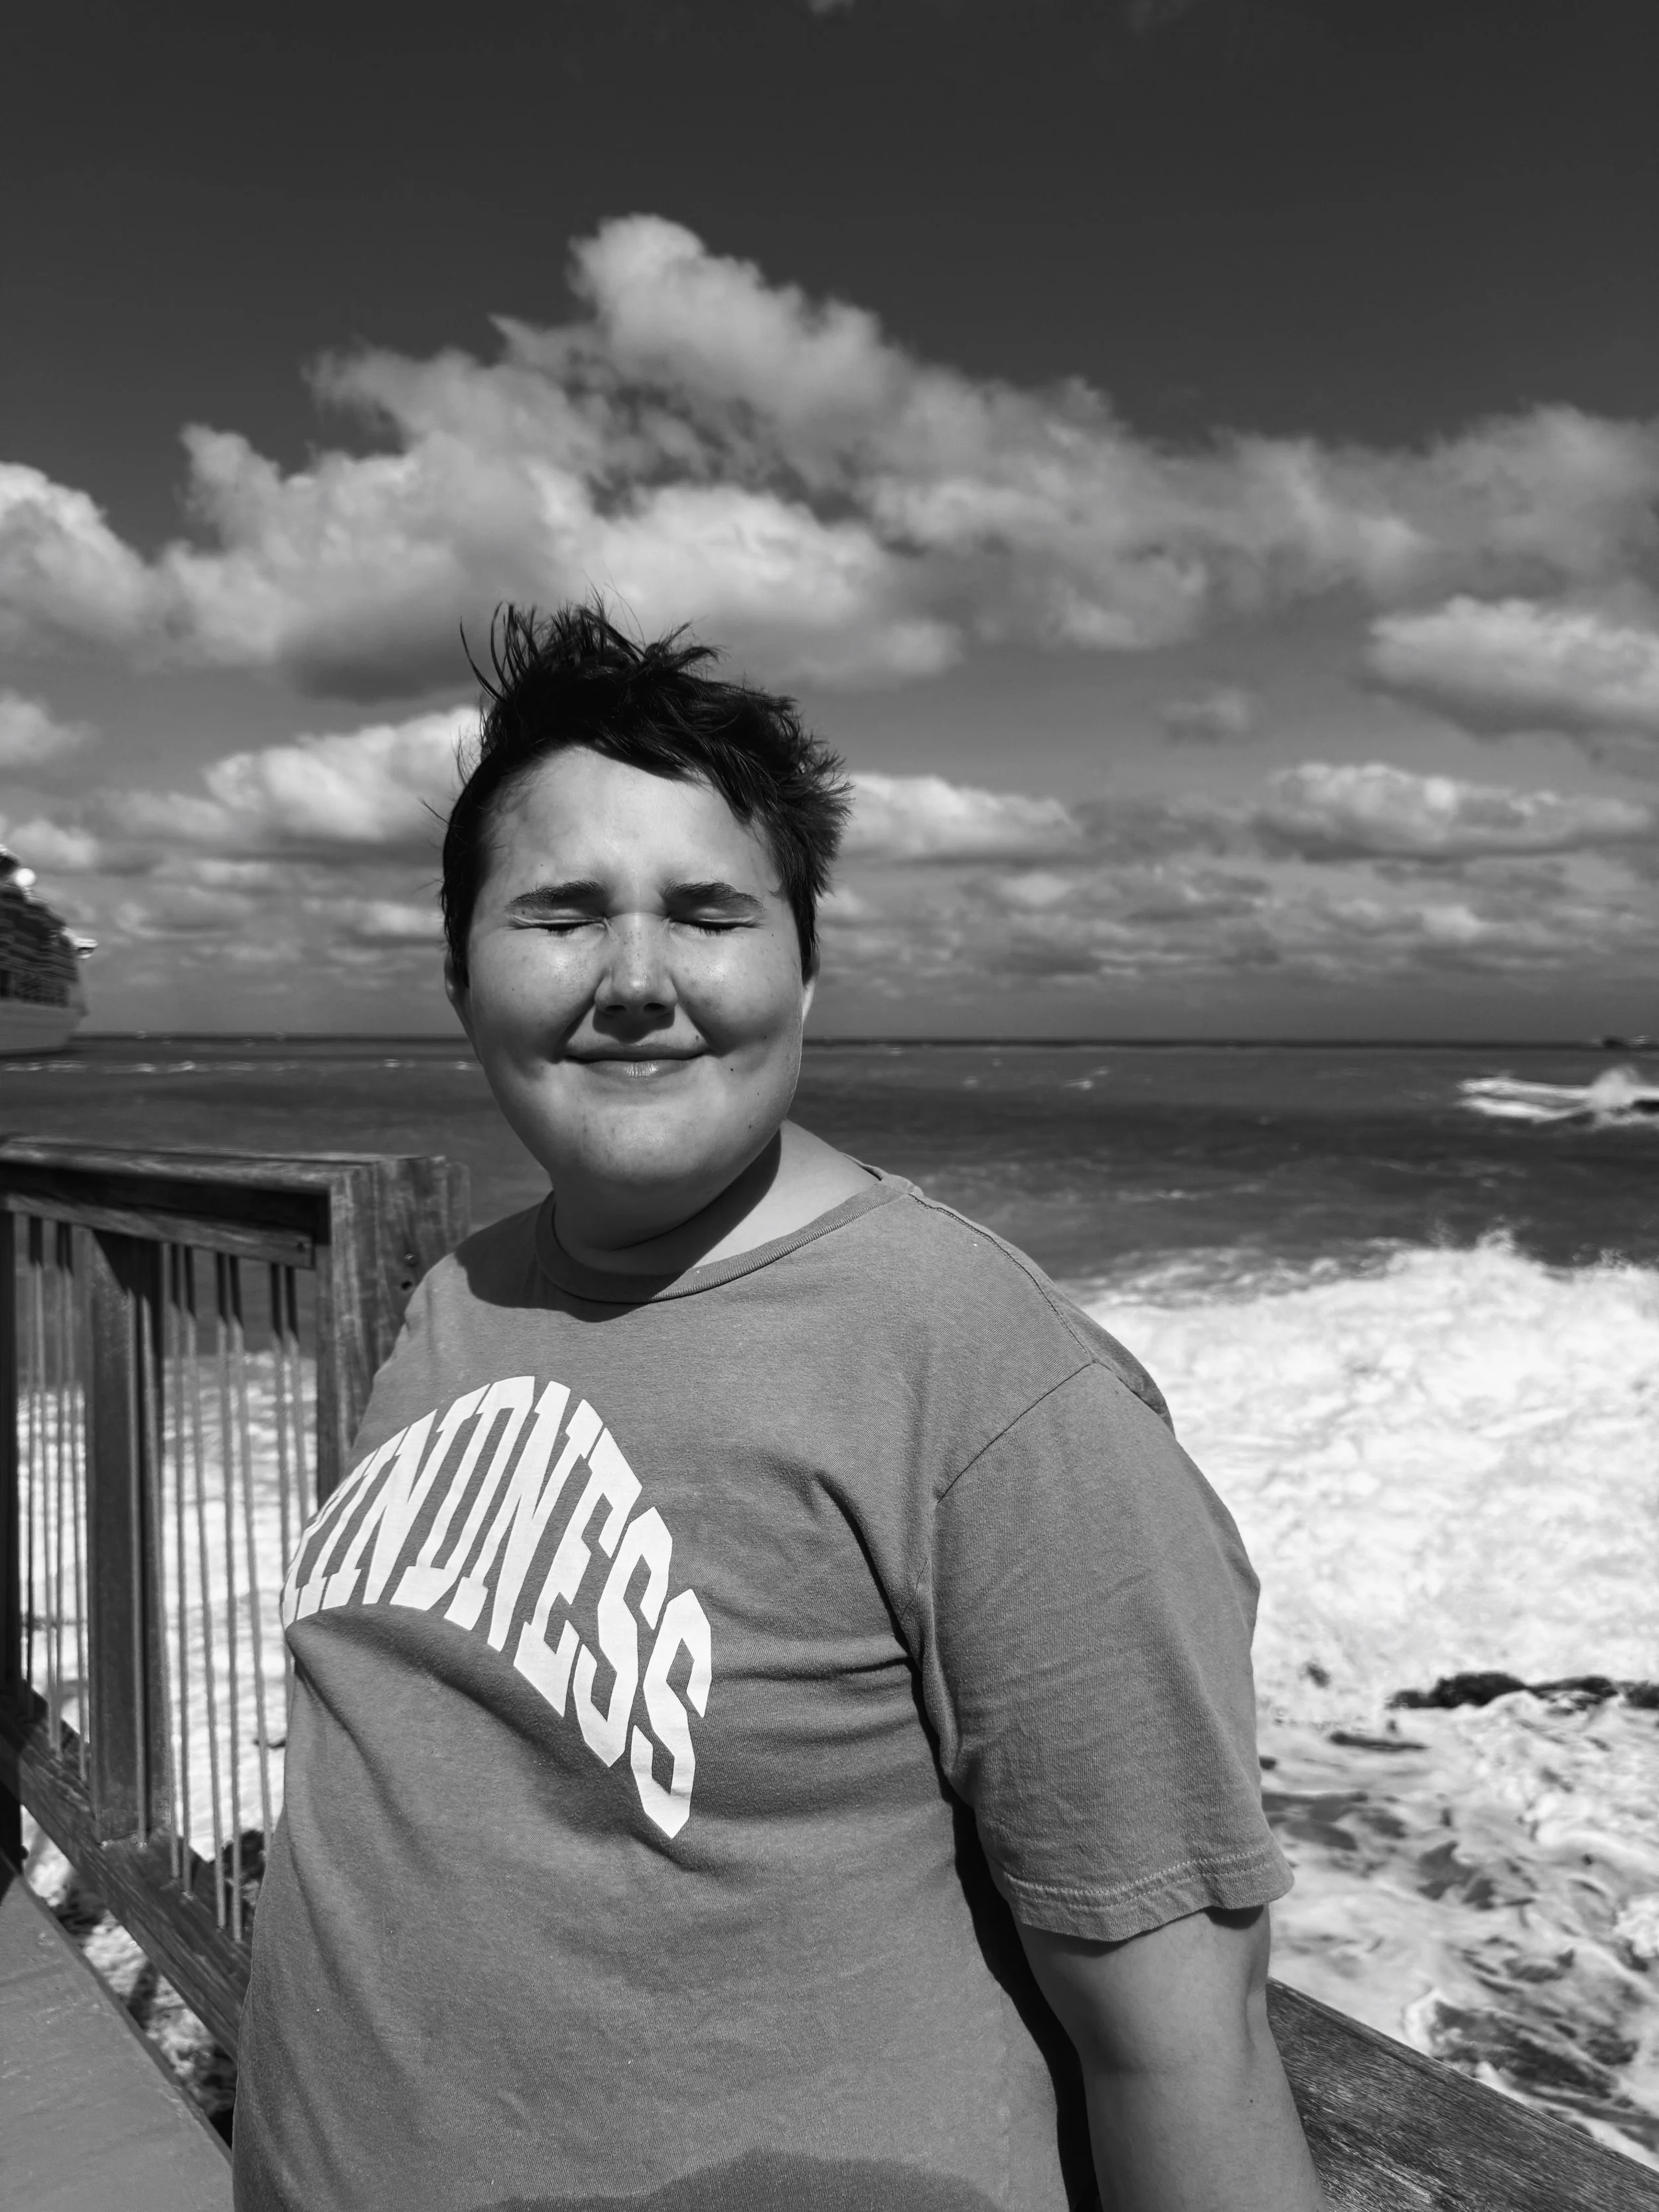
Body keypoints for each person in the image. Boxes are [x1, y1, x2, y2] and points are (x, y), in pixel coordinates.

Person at [236, 605, 1327, 2212]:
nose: (632, 978)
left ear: (803, 966)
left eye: (704, 910)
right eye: (556, 912)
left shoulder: (984, 1379)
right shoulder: (453, 1299)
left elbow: (1182, 2050)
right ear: (458, 971)